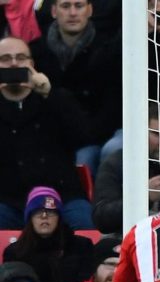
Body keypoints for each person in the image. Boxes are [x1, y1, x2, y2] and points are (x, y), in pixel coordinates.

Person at [0, 35, 95, 230]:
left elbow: (83, 136)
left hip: (61, 196)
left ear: (32, 64)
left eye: (20, 57)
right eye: (5, 59)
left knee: (84, 225)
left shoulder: (57, 98)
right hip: (7, 201)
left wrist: (48, 95)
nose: (14, 64)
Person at [29, 0, 122, 176]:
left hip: (95, 136)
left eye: (78, 6)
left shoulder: (108, 51)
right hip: (50, 134)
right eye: (65, 6)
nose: (72, 13)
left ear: (90, 10)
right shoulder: (36, 52)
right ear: (54, 11)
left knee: (83, 160)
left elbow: (110, 109)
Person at [2, 186, 94, 282]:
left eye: (50, 212)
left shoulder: (81, 246)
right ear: (30, 218)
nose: (44, 216)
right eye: (38, 212)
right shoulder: (14, 252)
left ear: (59, 217)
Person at [93, 104, 160, 234]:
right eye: (156, 134)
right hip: (123, 238)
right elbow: (101, 218)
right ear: (142, 131)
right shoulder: (117, 163)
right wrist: (144, 197)